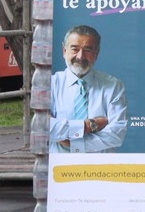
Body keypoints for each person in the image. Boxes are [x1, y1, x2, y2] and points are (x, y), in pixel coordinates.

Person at [48, 25, 127, 153]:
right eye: (75, 49)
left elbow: (116, 134)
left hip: (101, 168)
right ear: (64, 51)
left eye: (88, 50)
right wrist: (89, 125)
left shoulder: (114, 86)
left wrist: (72, 144)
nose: (80, 56)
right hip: (60, 165)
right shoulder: (50, 84)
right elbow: (44, 128)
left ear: (96, 54)